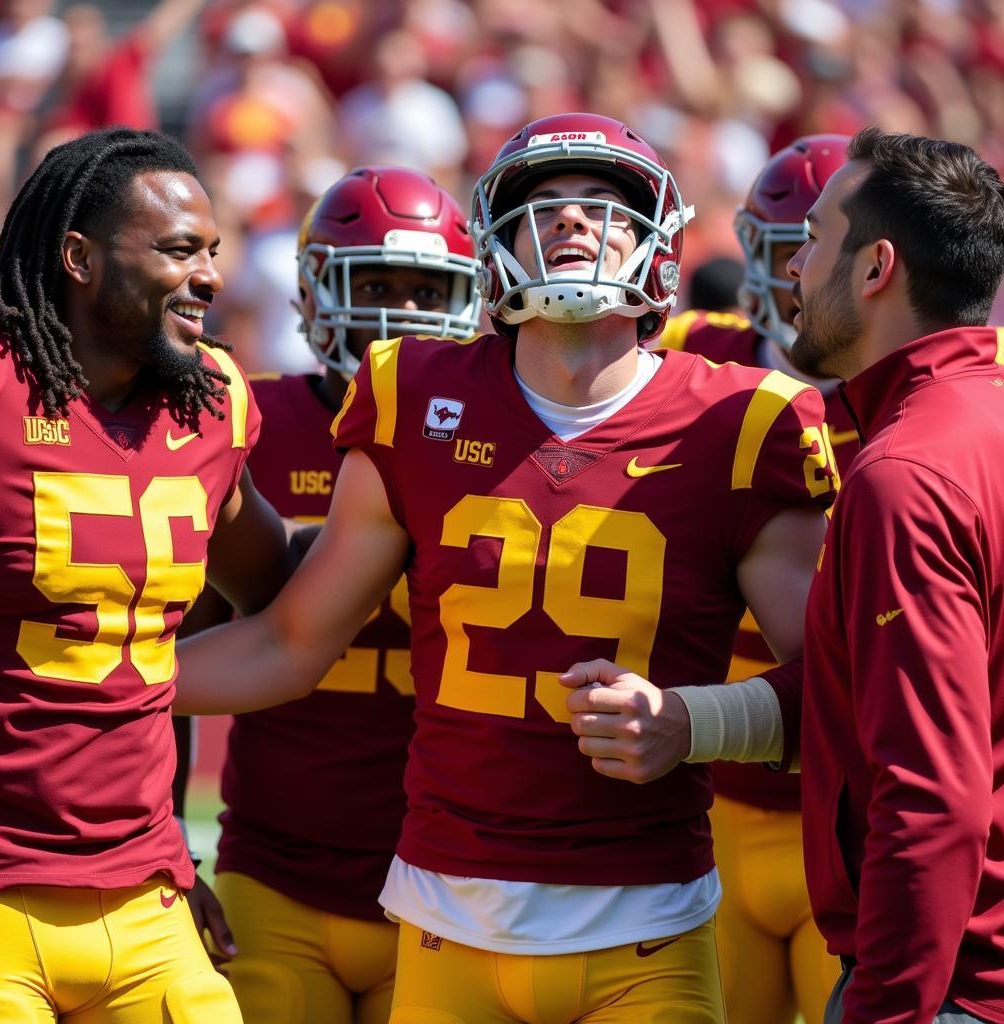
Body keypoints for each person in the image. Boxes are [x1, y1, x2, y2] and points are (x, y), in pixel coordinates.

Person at [174, 112, 835, 1024]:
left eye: (601, 205)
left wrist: (693, 722)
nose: (570, 221)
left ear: (656, 246)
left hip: (648, 921)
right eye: (544, 207)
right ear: (496, 242)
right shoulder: (412, 393)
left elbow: (836, 688)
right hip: (448, 916)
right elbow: (289, 644)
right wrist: (90, 682)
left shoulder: (743, 419)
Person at [565, 127, 1004, 1024]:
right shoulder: (969, 427)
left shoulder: (906, 472)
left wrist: (886, 1009)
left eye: (813, 242)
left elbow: (932, 790)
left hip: (949, 980)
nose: (793, 271)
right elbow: (878, 691)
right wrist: (695, 721)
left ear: (877, 267)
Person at [0, 127, 293, 1022]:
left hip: (147, 893)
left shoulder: (213, 404)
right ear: (78, 257)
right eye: (178, 250)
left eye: (215, 252)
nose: (211, 277)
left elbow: (272, 582)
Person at [200, 165, 480, 1024]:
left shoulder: (502, 433)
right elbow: (177, 653)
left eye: (426, 289)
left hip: (452, 880)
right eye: (375, 284)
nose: (398, 313)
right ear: (317, 291)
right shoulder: (247, 422)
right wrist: (169, 843)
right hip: (277, 872)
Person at [656, 134, 855, 1024]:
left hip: (854, 800)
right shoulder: (693, 354)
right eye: (787, 253)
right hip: (716, 796)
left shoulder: (929, 394)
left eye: (824, 254)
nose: (803, 278)